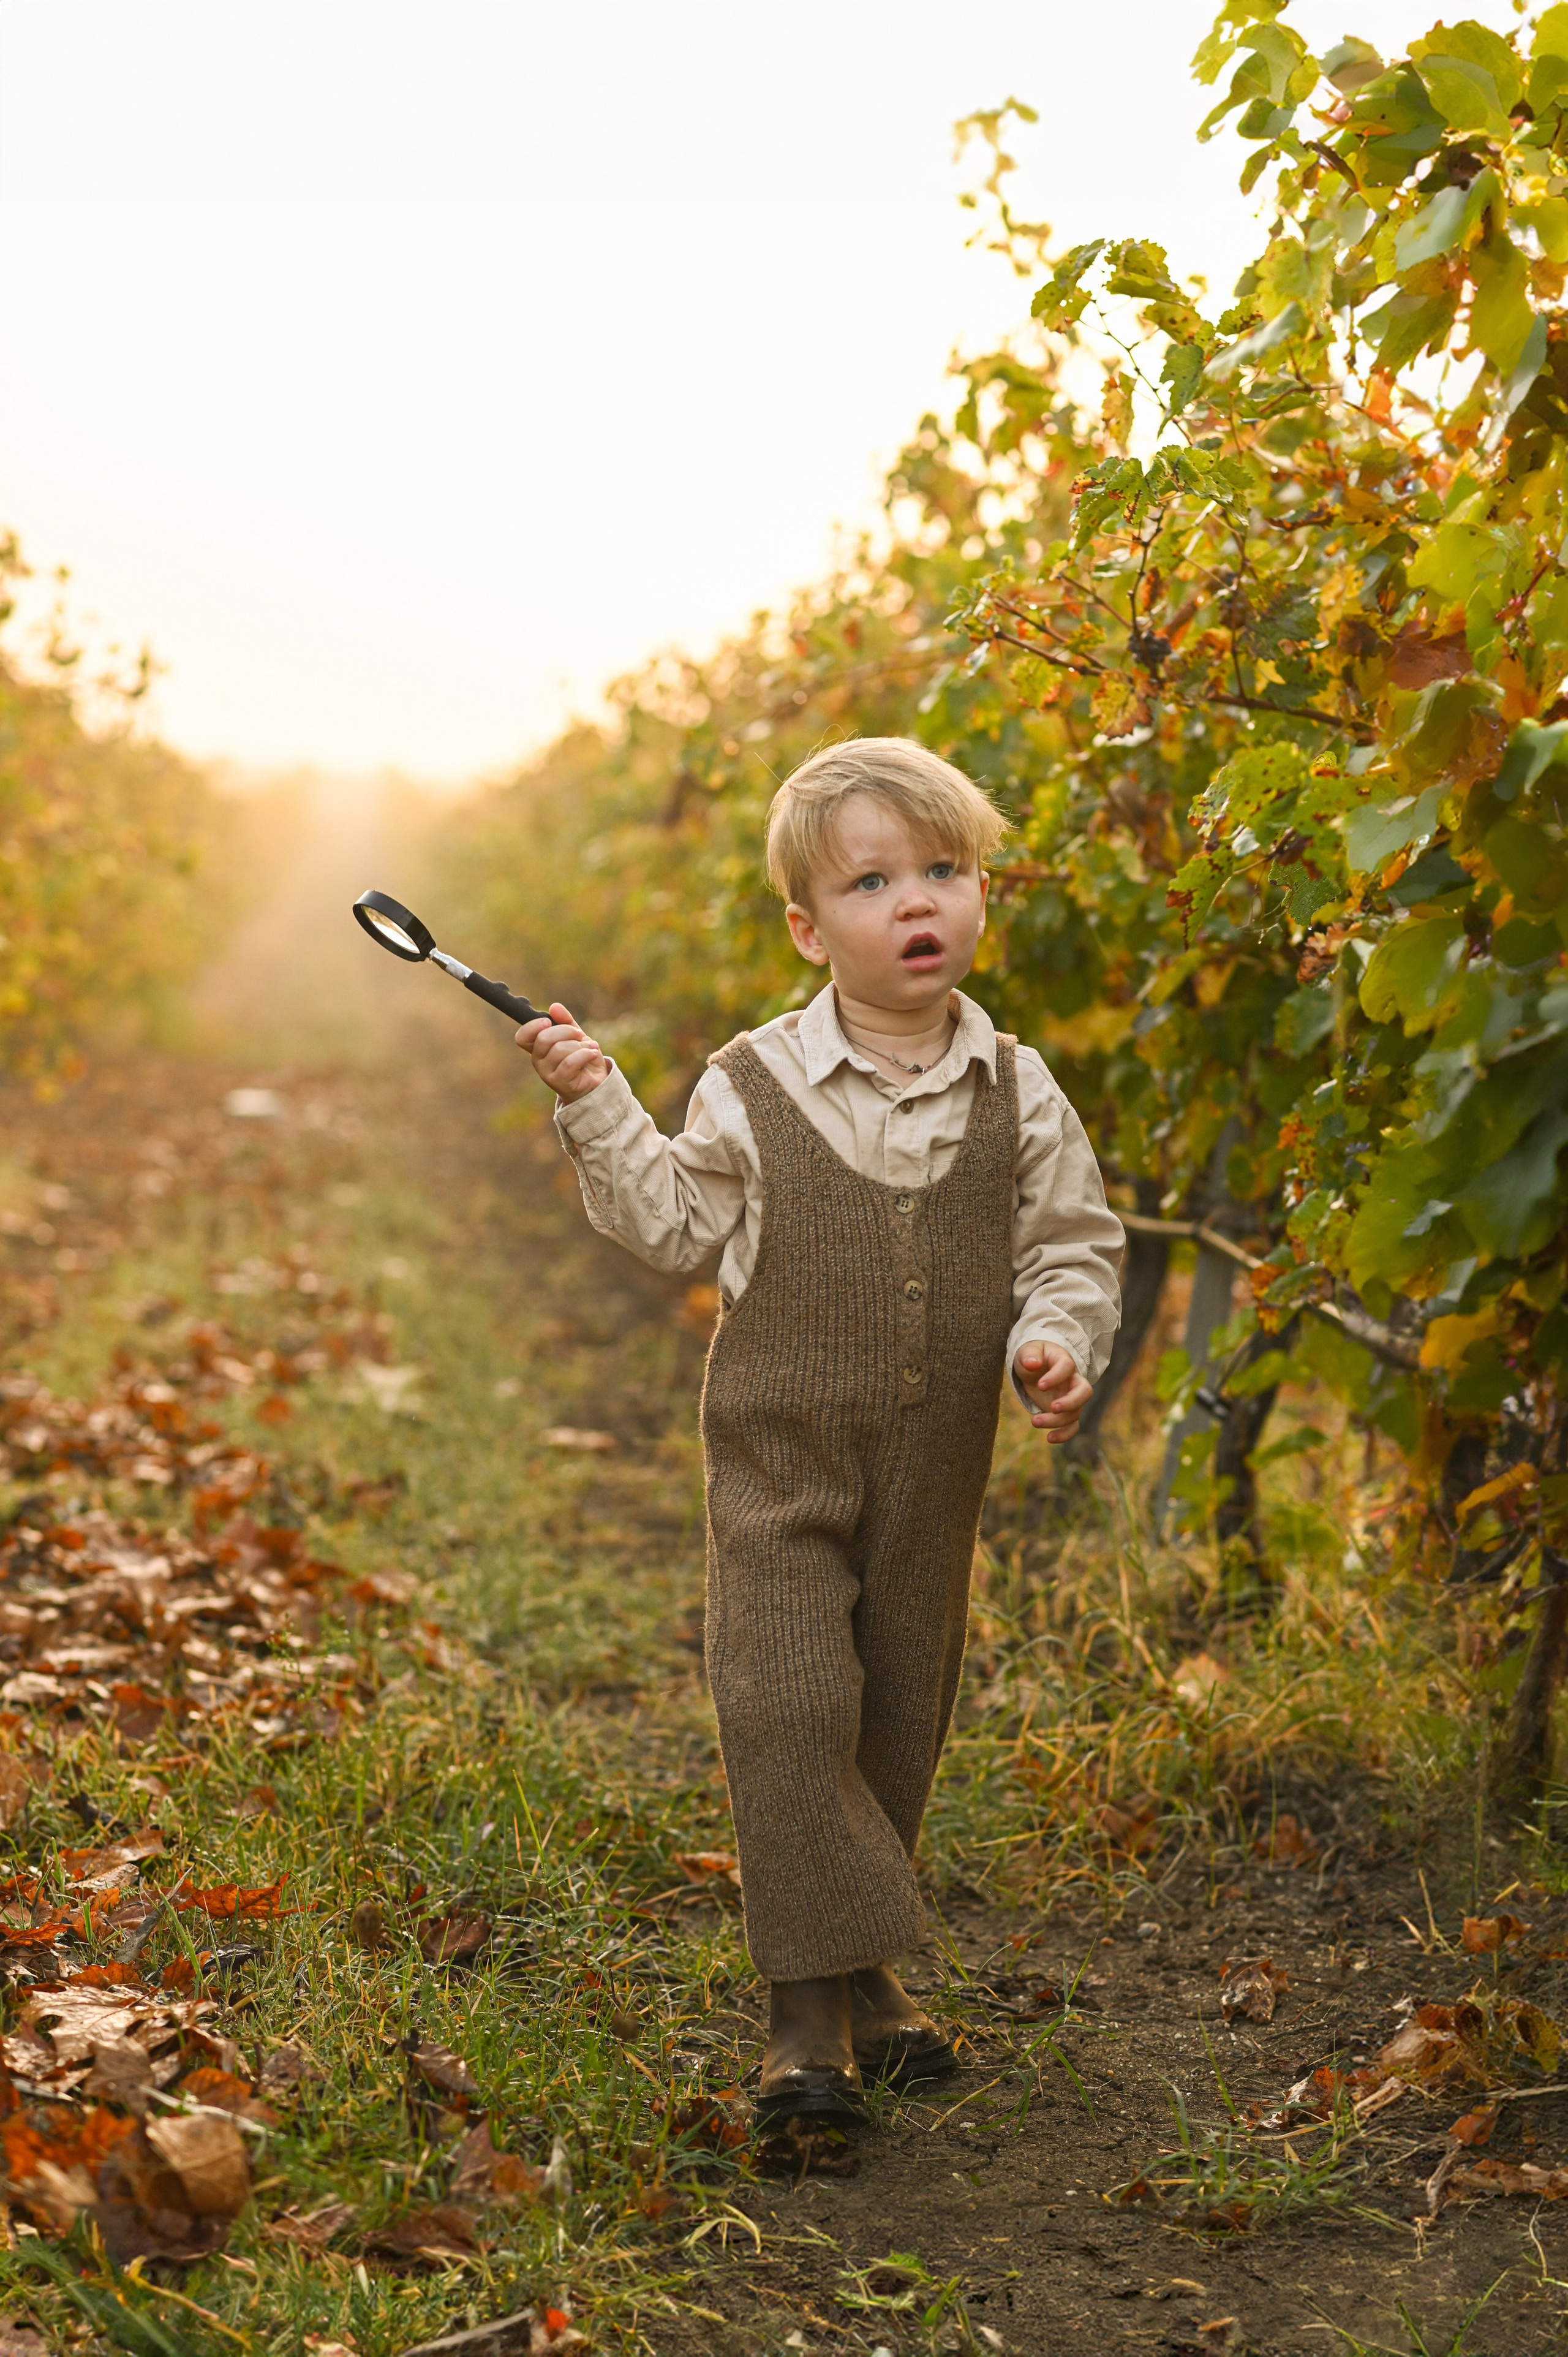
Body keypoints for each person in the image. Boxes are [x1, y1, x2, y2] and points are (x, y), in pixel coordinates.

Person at [516, 737, 1123, 2125]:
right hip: (779, 1459)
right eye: (871, 880)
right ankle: (804, 2017)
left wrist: (1053, 1339)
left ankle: (864, 1977)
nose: (917, 902)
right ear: (807, 926)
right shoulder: (752, 1083)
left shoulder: (1015, 1087)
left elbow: (1072, 1243)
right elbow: (671, 1220)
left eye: (943, 870)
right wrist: (596, 1101)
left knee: (897, 1709)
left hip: (933, 1473)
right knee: (787, 1701)